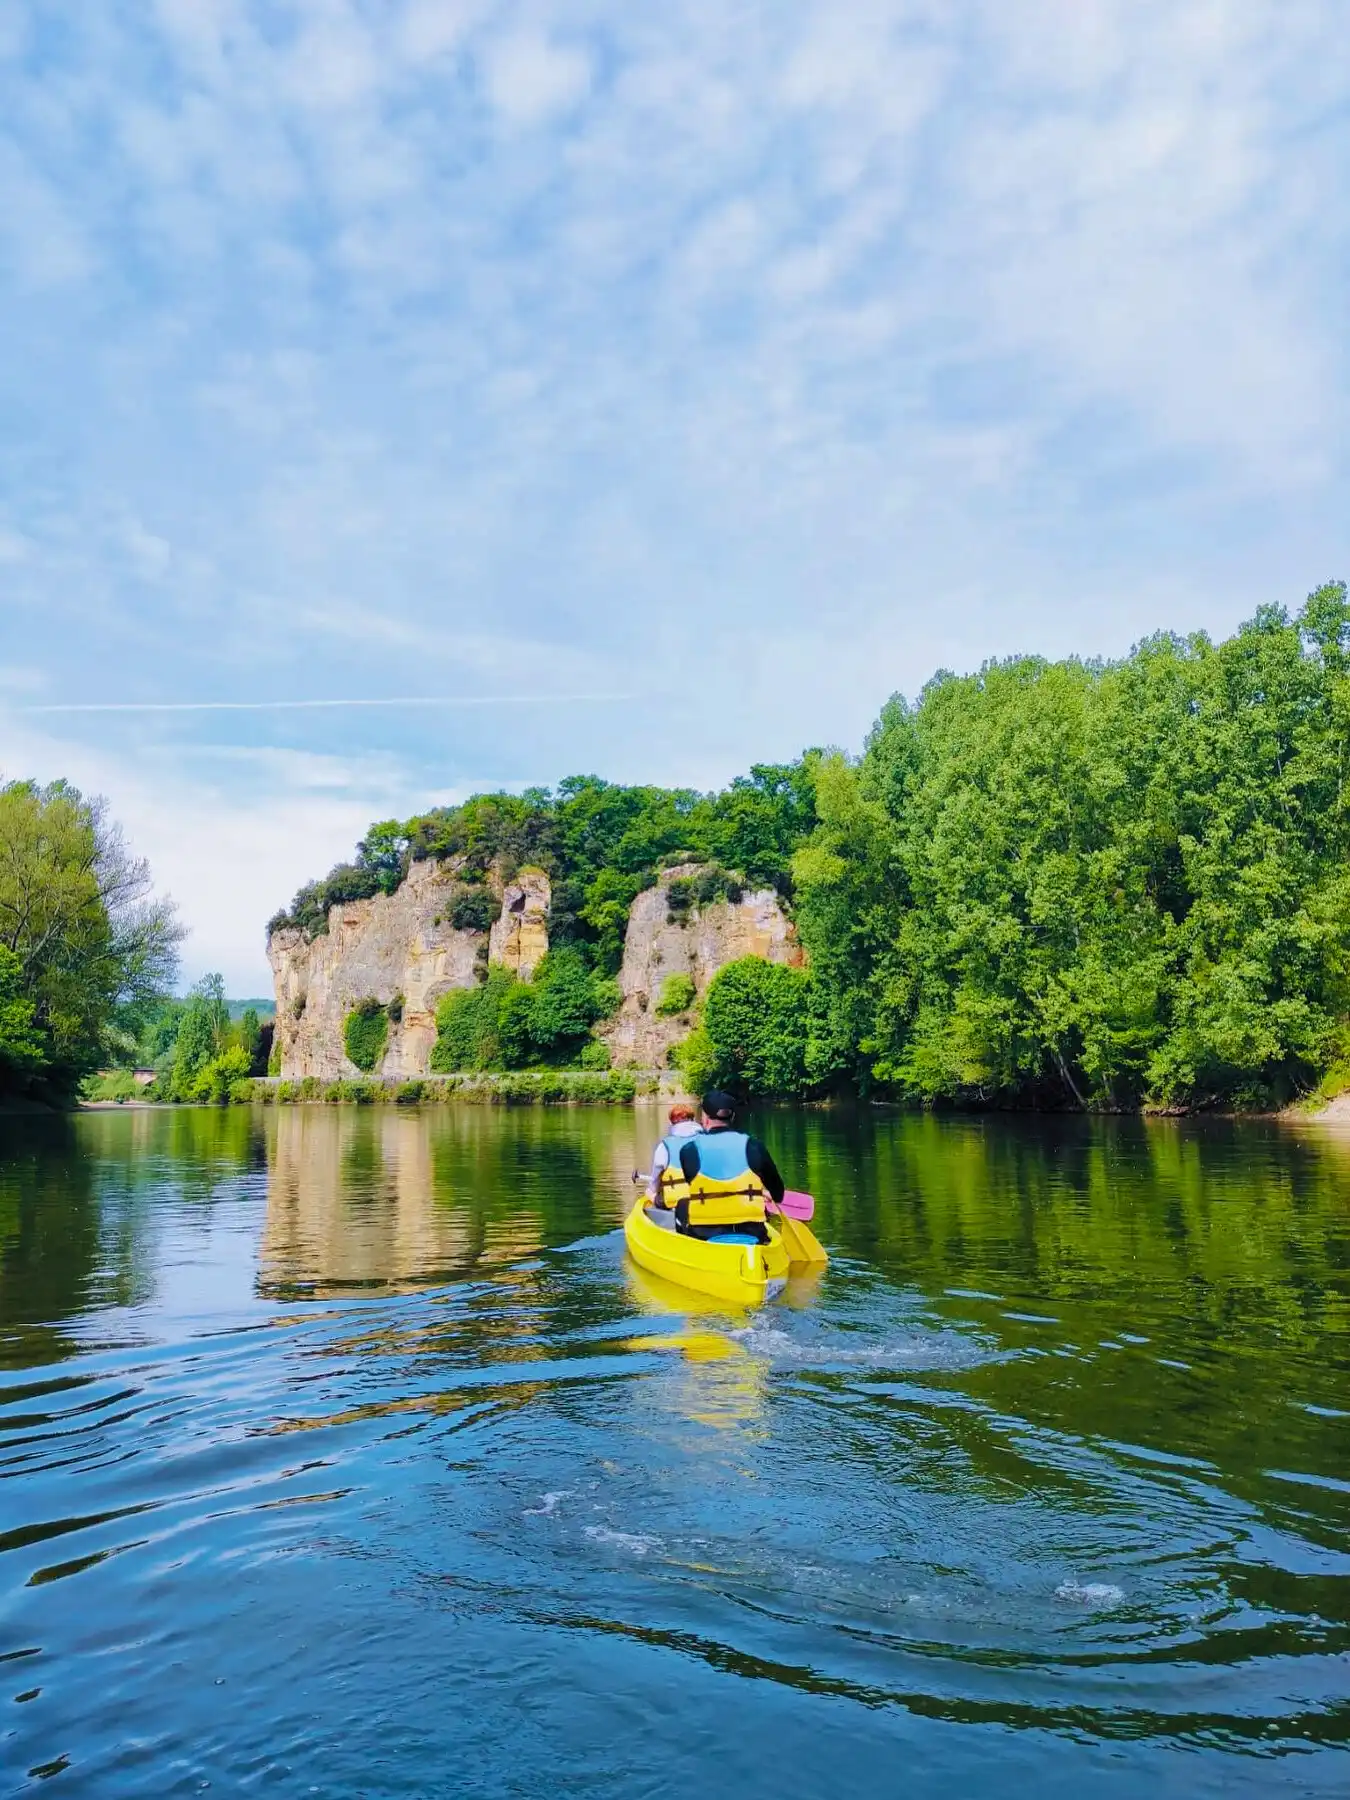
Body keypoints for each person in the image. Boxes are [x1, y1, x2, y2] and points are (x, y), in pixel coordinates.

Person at [674, 1090, 786, 1241]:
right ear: (732, 1117)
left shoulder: (688, 1150)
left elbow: (696, 1184)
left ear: (705, 1118)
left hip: (704, 1235)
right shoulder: (754, 1146)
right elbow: (778, 1194)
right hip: (752, 1232)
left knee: (682, 1204)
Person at [646, 1102, 703, 1204]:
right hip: (703, 1199)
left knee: (649, 1191)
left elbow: (654, 1182)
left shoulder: (664, 1146)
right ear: (693, 1119)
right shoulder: (707, 1140)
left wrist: (653, 1191)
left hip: (675, 1203)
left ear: (672, 1123)